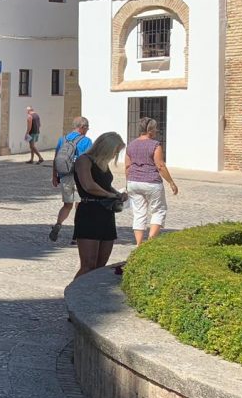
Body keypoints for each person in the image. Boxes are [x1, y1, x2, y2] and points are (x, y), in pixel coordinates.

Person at [72, 132, 127, 279]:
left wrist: (118, 194)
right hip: (89, 212)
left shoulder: (102, 164)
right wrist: (111, 195)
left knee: (100, 265)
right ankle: (74, 294)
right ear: (106, 148)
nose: (115, 154)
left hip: (106, 213)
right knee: (88, 264)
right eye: (115, 151)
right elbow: (89, 186)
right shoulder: (84, 161)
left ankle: (88, 296)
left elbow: (106, 185)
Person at [125, 117, 179, 246]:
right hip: (151, 182)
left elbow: (127, 166)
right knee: (158, 210)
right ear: (150, 130)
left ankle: (138, 244)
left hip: (133, 181)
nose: (156, 131)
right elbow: (160, 165)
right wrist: (171, 182)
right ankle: (150, 241)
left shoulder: (131, 145)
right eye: (155, 129)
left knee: (139, 213)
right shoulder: (155, 145)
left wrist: (128, 182)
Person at [49, 117, 93, 242]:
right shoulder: (86, 141)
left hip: (65, 176)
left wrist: (54, 176)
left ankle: (58, 224)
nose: (87, 130)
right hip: (80, 177)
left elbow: (56, 159)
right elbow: (89, 160)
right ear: (82, 127)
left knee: (67, 205)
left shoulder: (62, 139)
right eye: (87, 128)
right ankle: (76, 236)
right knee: (80, 207)